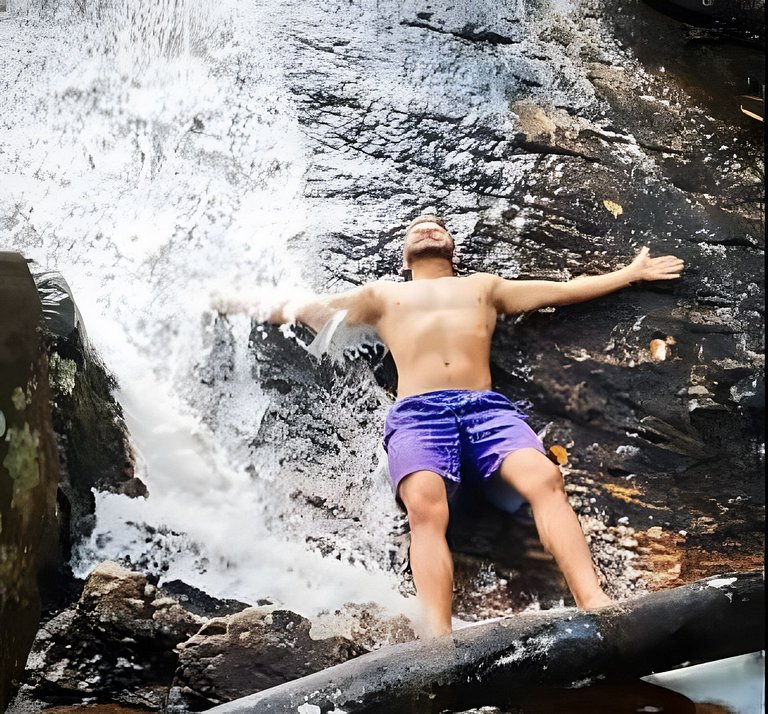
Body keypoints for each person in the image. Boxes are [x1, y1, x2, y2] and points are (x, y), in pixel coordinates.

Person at [212, 214, 684, 636]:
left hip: (486, 408)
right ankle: (437, 637)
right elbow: (303, 309)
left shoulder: (484, 287)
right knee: (425, 507)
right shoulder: (382, 295)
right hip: (419, 413)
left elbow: (561, 290)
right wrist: (232, 302)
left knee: (544, 477)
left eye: (438, 224)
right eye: (417, 226)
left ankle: (593, 600)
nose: (428, 225)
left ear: (453, 247)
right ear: (403, 255)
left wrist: (629, 274)